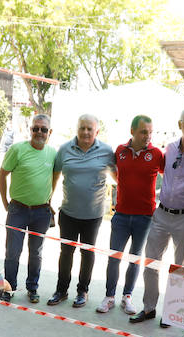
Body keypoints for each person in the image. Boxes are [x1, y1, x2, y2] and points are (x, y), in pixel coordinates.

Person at [129, 107, 184, 326]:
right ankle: (149, 308)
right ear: (180, 125)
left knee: (180, 268)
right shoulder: (169, 147)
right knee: (150, 263)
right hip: (161, 213)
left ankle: (172, 312)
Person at [47, 114, 116, 308]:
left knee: (87, 254)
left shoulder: (106, 151)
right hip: (68, 213)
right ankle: (61, 290)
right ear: (76, 129)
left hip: (93, 216)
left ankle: (82, 291)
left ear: (97, 131)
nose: (85, 132)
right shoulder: (65, 149)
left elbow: (119, 177)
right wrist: (49, 200)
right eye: (82, 128)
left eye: (89, 129)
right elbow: (55, 174)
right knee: (66, 253)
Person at [97, 115, 164, 315]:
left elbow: (169, 176)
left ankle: (127, 296)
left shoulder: (157, 153)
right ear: (132, 131)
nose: (148, 136)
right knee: (114, 257)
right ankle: (109, 296)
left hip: (145, 217)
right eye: (144, 132)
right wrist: (123, 183)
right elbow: (113, 171)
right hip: (121, 216)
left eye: (151, 132)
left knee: (135, 258)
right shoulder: (120, 151)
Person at [0, 114, 56, 303]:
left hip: (41, 212)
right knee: (13, 251)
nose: (39, 132)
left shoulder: (53, 154)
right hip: (18, 210)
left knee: (36, 252)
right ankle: (9, 287)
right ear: (30, 130)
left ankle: (32, 288)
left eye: (43, 129)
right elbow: (1, 175)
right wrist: (6, 203)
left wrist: (49, 199)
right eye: (35, 128)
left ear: (50, 132)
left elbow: (55, 177)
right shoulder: (17, 150)